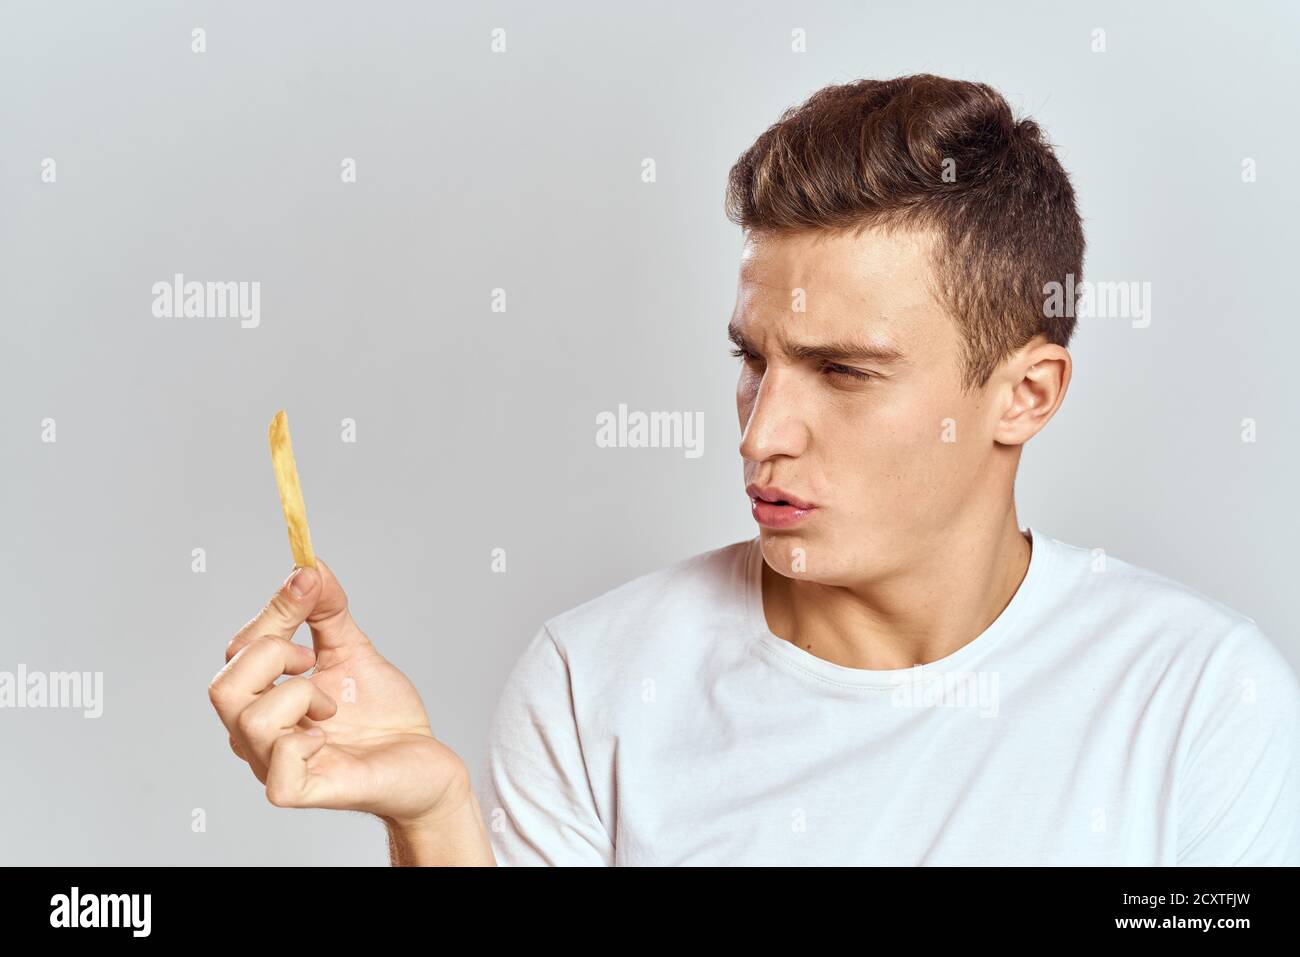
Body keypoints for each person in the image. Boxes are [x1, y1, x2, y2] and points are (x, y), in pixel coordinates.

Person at [208, 74, 1300, 866]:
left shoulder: (1201, 700)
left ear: (1025, 395)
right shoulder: (596, 683)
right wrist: (436, 820)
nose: (760, 433)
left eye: (844, 372)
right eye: (753, 359)